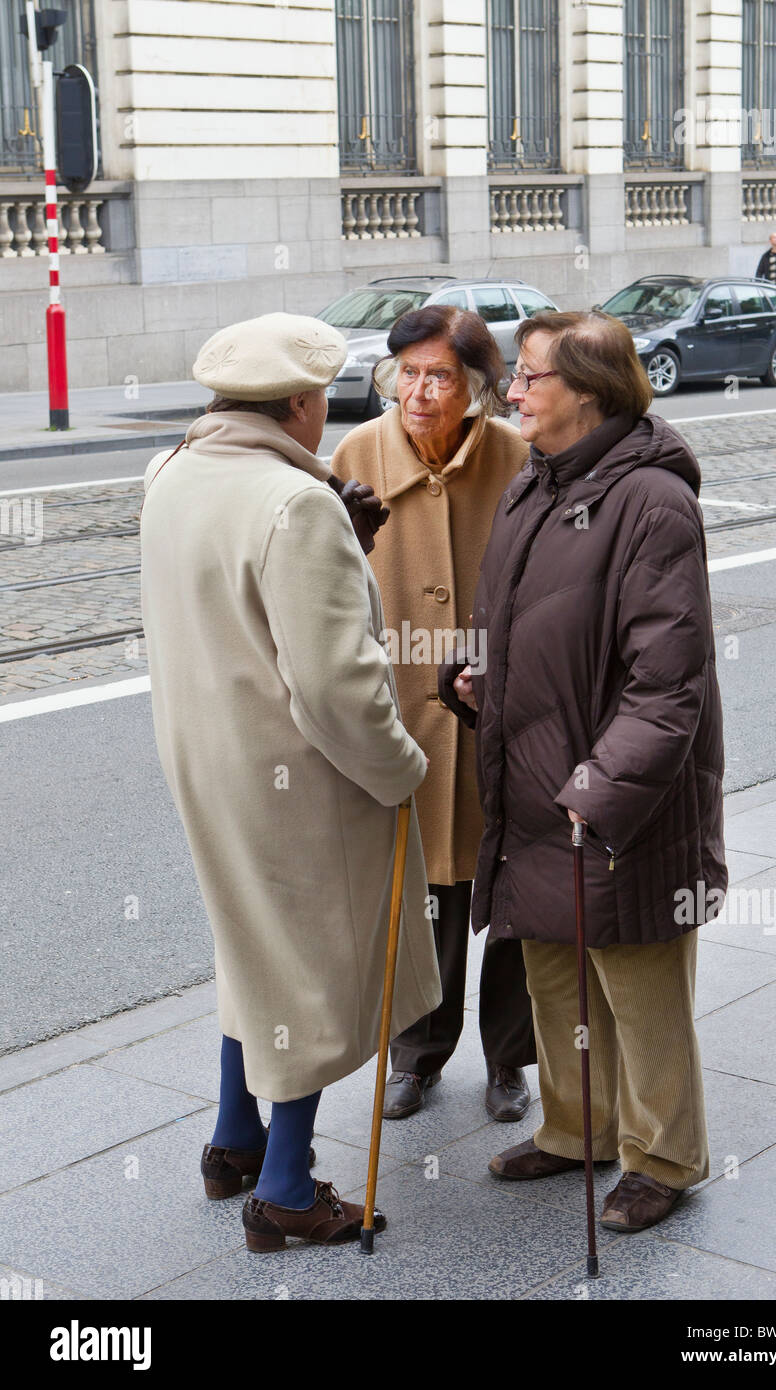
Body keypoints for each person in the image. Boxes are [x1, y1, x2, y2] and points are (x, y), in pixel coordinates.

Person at [139, 312, 441, 1250]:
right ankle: (285, 1187)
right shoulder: (295, 504)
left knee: (251, 945)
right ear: (306, 405)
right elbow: (337, 688)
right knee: (309, 966)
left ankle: (235, 1139)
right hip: (296, 779)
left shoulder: (170, 472)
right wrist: (405, 767)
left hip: (205, 755)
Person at [439, 310, 727, 1234]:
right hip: (534, 781)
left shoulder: (652, 502)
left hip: (617, 804)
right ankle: (578, 1129)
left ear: (592, 392)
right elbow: (519, 618)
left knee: (637, 982)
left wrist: (597, 795)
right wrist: (476, 677)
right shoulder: (537, 482)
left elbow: (668, 684)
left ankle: (665, 1156)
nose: (512, 392)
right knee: (554, 972)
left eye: (530, 378)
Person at [331, 304, 537, 1123]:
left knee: (514, 889)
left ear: (477, 388)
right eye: (406, 374)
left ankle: (510, 1059)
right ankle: (417, 1055)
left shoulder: (518, 458)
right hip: (402, 713)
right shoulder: (356, 456)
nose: (418, 392)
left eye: (439, 376)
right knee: (424, 892)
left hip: (502, 711)